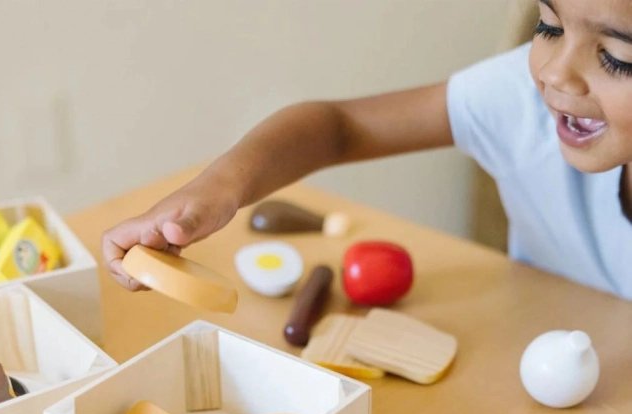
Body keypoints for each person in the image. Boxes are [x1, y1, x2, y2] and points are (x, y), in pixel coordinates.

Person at [102, 0, 632, 300]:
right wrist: (218, 188)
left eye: (615, 59)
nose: (556, 72)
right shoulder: (518, 101)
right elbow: (338, 127)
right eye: (549, 25)